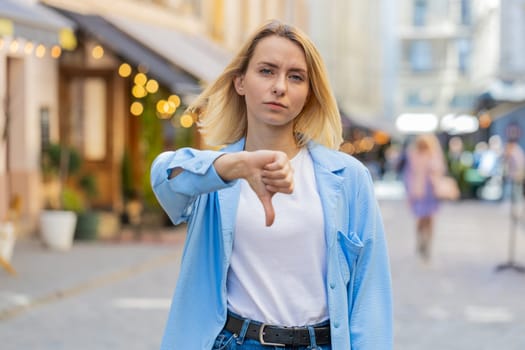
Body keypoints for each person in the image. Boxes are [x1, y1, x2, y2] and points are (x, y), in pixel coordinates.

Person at [150, 20, 392, 350]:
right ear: (240, 82)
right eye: (266, 71)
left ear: (308, 94)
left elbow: (370, 295)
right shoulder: (214, 176)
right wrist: (234, 165)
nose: (280, 86)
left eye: (295, 77)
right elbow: (164, 179)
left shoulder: (348, 178)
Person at [402, 133, 446, 263]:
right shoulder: (412, 155)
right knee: (420, 219)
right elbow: (408, 174)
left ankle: (428, 245)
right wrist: (410, 191)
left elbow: (440, 170)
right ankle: (420, 241)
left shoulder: (434, 155)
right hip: (418, 191)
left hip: (431, 191)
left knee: (430, 219)